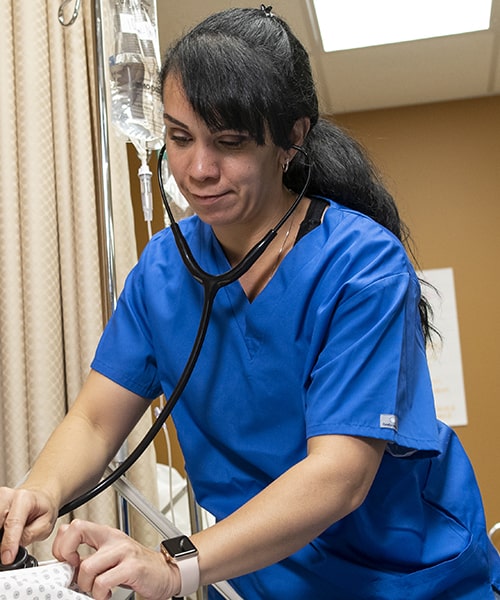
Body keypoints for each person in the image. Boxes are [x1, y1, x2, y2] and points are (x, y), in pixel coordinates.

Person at [1, 5, 499, 599]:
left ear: (292, 137)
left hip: (404, 578)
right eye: (180, 138)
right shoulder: (163, 271)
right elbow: (94, 417)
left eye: (229, 143)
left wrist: (175, 563)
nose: (198, 169)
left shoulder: (362, 266)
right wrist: (42, 490)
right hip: (259, 579)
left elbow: (338, 476)